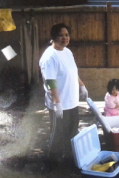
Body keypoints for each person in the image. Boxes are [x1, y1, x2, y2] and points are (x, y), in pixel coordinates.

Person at [39, 23, 88, 163]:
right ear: (54, 37)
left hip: (72, 102)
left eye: (67, 35)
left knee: (72, 131)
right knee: (57, 134)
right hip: (59, 104)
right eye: (61, 35)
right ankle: (50, 162)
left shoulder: (67, 52)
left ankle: (67, 157)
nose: (64, 38)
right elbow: (49, 81)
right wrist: (56, 102)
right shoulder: (49, 57)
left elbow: (73, 72)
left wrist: (82, 86)